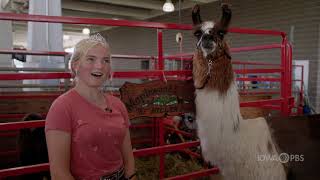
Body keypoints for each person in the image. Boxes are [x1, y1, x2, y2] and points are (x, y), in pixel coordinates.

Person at [45, 34, 136, 180]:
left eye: (105, 60)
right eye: (90, 59)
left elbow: (128, 157)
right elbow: (59, 173)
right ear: (75, 65)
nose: (99, 66)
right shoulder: (62, 108)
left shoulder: (118, 105)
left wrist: (131, 176)